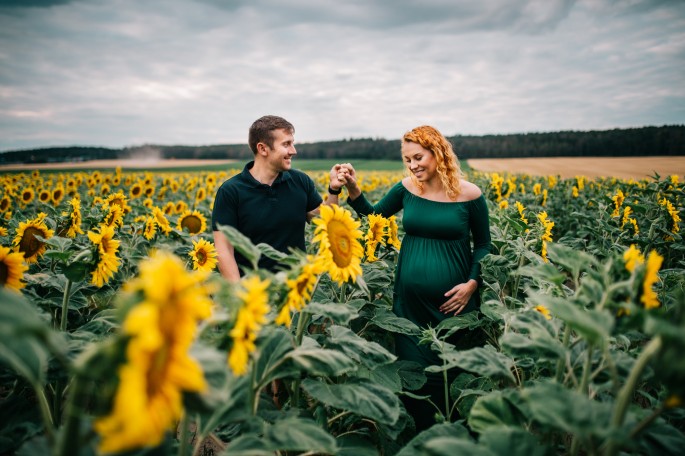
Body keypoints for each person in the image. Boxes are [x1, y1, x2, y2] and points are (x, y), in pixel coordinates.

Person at [335, 125, 492, 431]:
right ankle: (418, 440)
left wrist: (473, 284)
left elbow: (484, 244)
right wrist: (353, 189)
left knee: (450, 376)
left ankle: (453, 441)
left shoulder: (469, 194)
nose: (413, 165)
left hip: (454, 306)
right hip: (409, 307)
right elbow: (374, 217)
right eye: (407, 160)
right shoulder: (406, 189)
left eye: (418, 157)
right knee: (414, 377)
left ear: (438, 152)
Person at [212, 115, 345, 282]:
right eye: (286, 144)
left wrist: (334, 189)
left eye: (292, 143)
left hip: (295, 289)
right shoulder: (231, 191)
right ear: (263, 149)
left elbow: (324, 221)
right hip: (255, 292)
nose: (293, 151)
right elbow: (223, 250)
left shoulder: (300, 181)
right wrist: (241, 297)